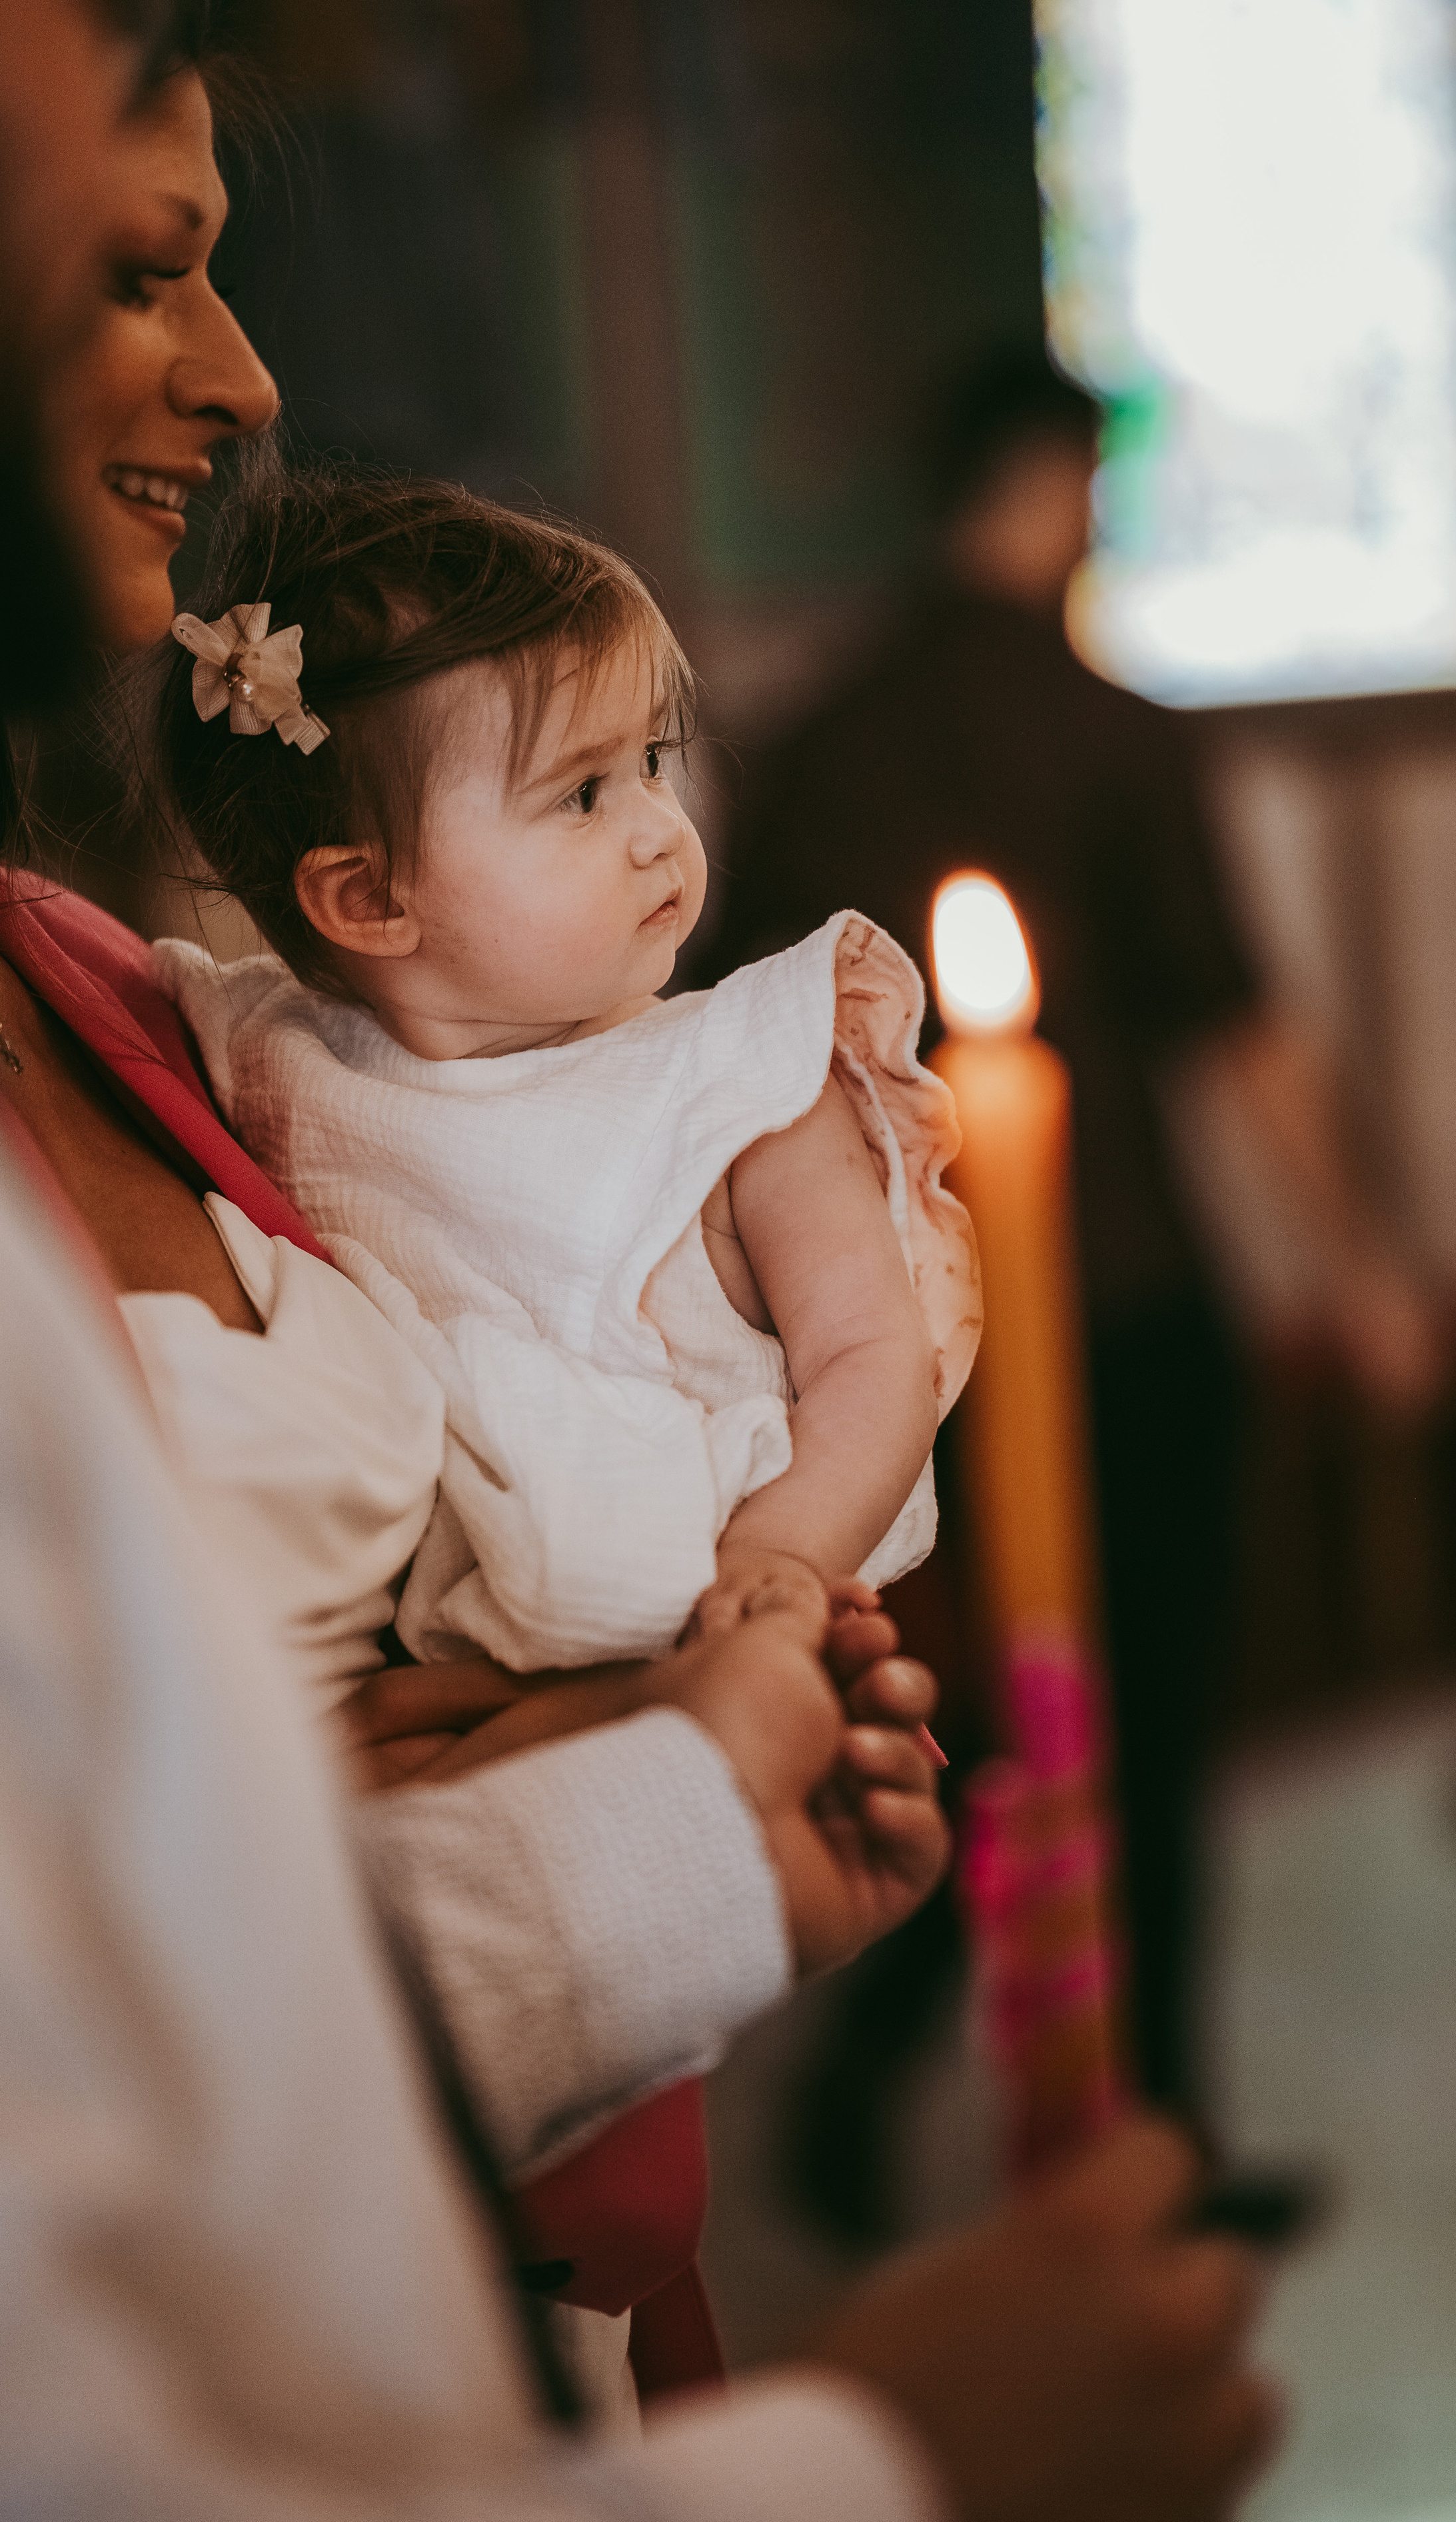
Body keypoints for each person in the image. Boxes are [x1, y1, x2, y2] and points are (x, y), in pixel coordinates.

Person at [0, 12, 1280, 2522]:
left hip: (521, 2288)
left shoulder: (90, 979)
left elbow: (156, 1918)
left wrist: (666, 1807)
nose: (246, 373)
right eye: (136, 259)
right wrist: (899, 2477)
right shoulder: (267, 1025)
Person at [712, 343, 1449, 2153]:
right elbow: (1239, 1027)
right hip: (1126, 1302)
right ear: (1060, 486)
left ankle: (875, 2082)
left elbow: (727, 1058)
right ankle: (1159, 2130)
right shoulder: (1103, 721)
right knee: (1143, 1719)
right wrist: (1365, 1270)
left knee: (982, 1704)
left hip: (890, 1340)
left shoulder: (819, 739)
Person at [138, 459, 983, 1682]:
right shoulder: (279, 1056)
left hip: (726, 1612)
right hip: (438, 1660)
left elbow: (875, 1362)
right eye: (584, 794)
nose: (660, 825)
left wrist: (781, 1564)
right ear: (371, 896)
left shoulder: (741, 1090)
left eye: (652, 759)